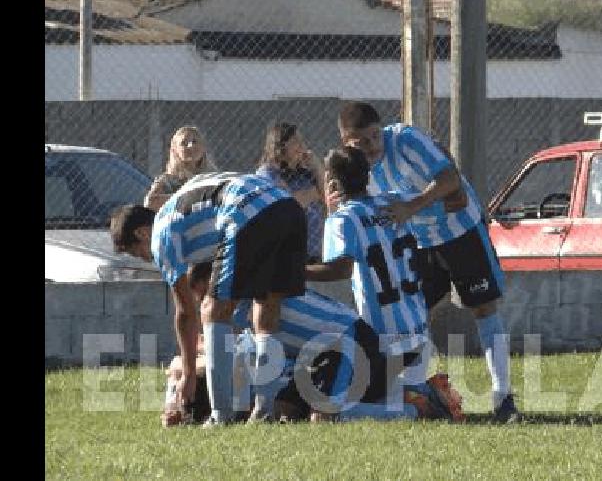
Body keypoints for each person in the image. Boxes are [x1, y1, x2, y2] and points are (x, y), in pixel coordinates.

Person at [335, 101, 520, 423]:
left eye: (375, 137)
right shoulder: (354, 167)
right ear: (345, 142)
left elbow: (451, 181)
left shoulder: (406, 141)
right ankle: (419, 393)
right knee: (415, 315)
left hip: (460, 230)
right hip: (419, 241)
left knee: (483, 306)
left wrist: (413, 206)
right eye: (361, 142)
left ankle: (503, 398)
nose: (372, 147)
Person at [110, 171, 307, 426]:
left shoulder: (160, 235)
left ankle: (220, 415)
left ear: (141, 233)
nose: (145, 259)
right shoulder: (181, 204)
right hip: (287, 207)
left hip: (244, 212)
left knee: (212, 312)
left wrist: (189, 373)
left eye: (136, 253)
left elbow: (185, 312)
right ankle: (263, 411)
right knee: (267, 306)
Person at [186, 261, 462, 423]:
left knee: (327, 417)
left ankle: (416, 408)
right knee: (287, 410)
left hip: (347, 344)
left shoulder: (244, 304)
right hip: (328, 355)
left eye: (203, 296)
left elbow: (230, 356)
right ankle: (417, 390)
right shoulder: (247, 301)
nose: (205, 306)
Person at [306, 147, 462, 421]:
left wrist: (294, 272)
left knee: (327, 408)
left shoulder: (343, 220)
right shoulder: (396, 201)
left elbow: (341, 268)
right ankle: (424, 394)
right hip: (419, 333)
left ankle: (416, 408)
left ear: (331, 181)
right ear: (368, 176)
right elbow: (454, 199)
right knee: (381, 392)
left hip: (380, 342)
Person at [255, 122, 326, 262]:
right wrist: (313, 193)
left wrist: (317, 166)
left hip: (312, 250)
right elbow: (289, 205)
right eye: (295, 142)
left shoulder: (303, 172)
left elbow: (327, 196)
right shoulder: (267, 172)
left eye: (301, 140)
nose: (301, 145)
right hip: (285, 253)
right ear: (280, 146)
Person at [144, 125, 217, 211]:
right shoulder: (167, 180)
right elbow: (150, 203)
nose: (191, 146)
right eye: (184, 143)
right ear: (175, 151)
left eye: (195, 141)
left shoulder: (214, 177)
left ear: (203, 148)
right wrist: (189, 197)